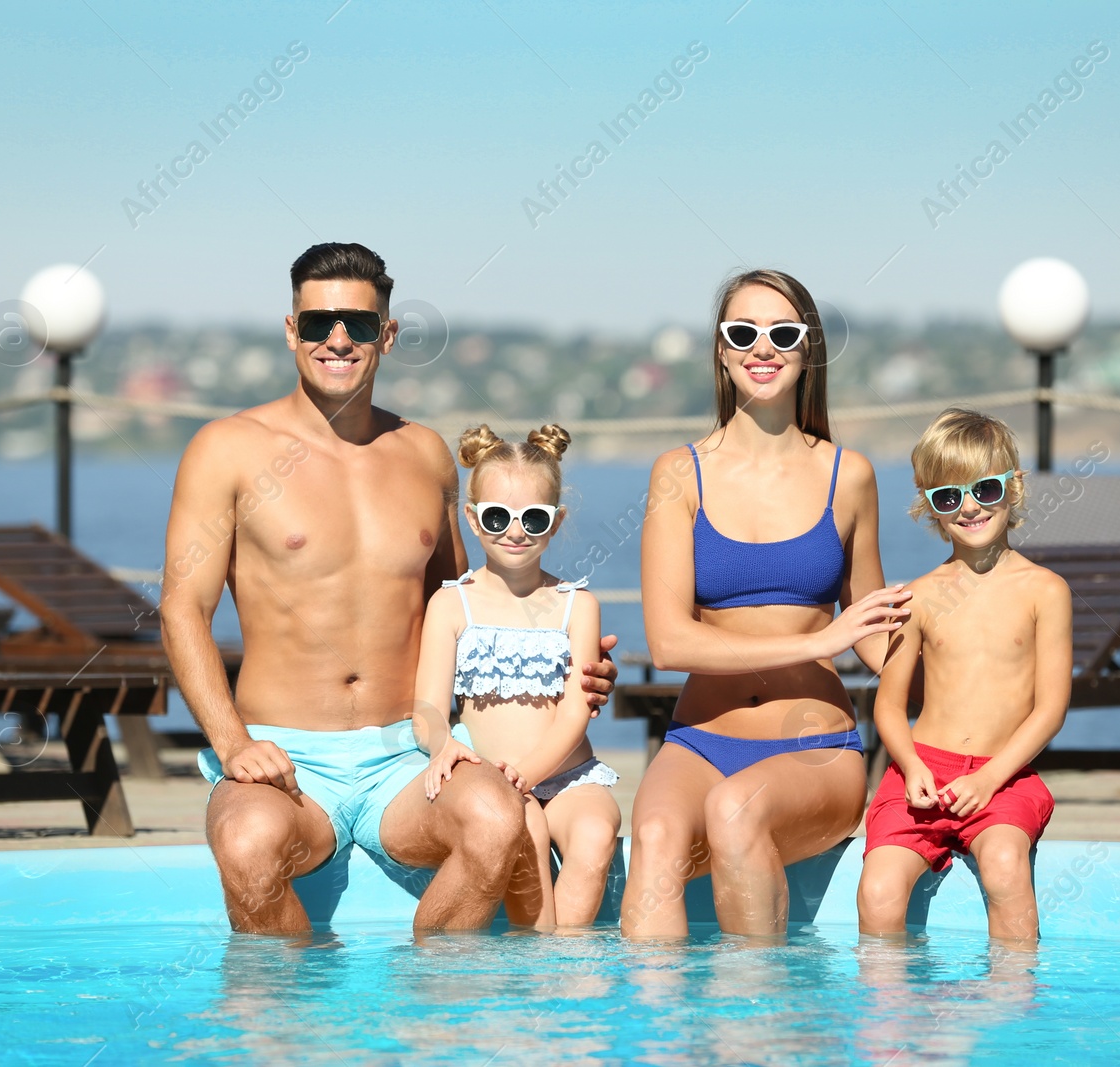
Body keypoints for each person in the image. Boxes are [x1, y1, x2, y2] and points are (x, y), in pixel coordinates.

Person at [159, 242, 619, 937]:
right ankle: (294, 1022)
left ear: (388, 335)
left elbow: (472, 599)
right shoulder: (227, 449)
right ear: (292, 330)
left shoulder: (425, 455)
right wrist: (231, 743)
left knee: (496, 821)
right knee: (247, 844)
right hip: (286, 755)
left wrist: (567, 667)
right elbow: (182, 608)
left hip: (411, 755)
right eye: (317, 324)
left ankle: (428, 1006)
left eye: (359, 324)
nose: (337, 339)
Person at [622, 268, 913, 938]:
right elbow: (669, 642)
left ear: (807, 348)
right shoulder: (678, 472)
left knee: (734, 809)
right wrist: (816, 641)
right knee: (659, 832)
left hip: (814, 747)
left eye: (782, 333)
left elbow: (872, 634)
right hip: (699, 740)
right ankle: (659, 1038)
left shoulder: (849, 475)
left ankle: (761, 1029)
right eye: (742, 332)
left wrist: (965, 640)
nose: (763, 347)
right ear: (721, 351)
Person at [856, 408, 1071, 945]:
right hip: (921, 772)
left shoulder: (1045, 590)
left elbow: (1050, 710)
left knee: (1003, 865)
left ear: (1014, 487)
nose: (970, 506)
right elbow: (888, 704)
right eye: (948, 496)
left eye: (986, 489)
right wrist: (908, 766)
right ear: (928, 505)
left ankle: (1010, 1003)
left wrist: (988, 778)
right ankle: (890, 1010)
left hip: (1005, 775)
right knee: (880, 890)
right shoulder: (919, 596)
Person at [415, 423, 621, 929]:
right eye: (497, 516)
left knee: (597, 831)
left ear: (555, 522)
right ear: (472, 517)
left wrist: (529, 772)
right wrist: (442, 745)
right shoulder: (450, 604)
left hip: (569, 774)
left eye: (533, 517)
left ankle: (566, 962)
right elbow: (427, 708)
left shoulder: (578, 604)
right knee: (520, 824)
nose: (515, 530)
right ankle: (541, 959)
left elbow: (577, 710)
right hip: (496, 777)